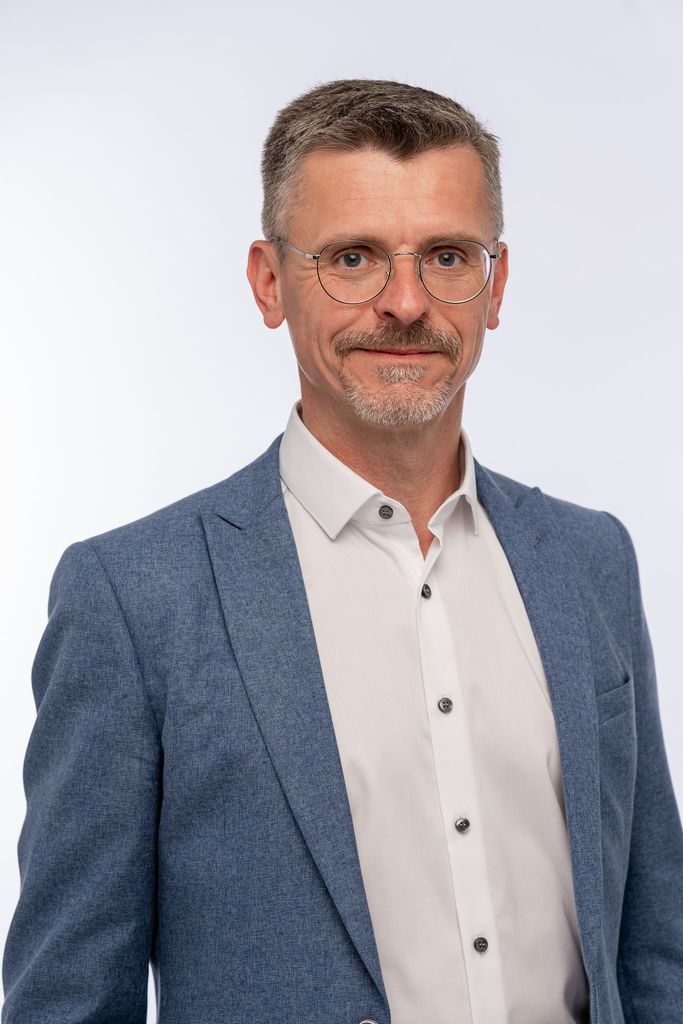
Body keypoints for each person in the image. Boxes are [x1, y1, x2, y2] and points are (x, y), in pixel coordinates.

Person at [2, 78, 682, 1024]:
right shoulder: (135, 599)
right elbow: (67, 999)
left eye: (446, 256)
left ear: (495, 285)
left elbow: (656, 949)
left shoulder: (589, 560)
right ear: (268, 281)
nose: (404, 303)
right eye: (352, 258)